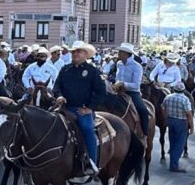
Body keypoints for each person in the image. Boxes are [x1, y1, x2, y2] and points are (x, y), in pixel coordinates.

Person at [53, 41, 106, 175]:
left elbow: (101, 92)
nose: (75, 54)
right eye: (74, 52)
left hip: (82, 109)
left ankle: (91, 163)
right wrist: (59, 96)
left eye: (79, 51)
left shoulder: (92, 71)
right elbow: (57, 86)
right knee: (49, 124)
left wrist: (91, 108)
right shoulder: (65, 69)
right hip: (65, 107)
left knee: (87, 129)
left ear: (86, 54)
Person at [114, 42, 149, 138]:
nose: (119, 53)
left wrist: (123, 84)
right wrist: (116, 83)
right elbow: (118, 78)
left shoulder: (137, 66)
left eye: (121, 52)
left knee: (142, 109)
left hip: (132, 92)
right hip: (118, 91)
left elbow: (136, 84)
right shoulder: (119, 64)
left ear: (126, 54)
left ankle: (145, 133)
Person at [161, 82, 194, 172]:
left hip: (170, 120)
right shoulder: (185, 99)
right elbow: (189, 114)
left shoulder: (168, 97)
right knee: (180, 144)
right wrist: (192, 126)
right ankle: (174, 165)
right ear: (183, 90)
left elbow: (163, 109)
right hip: (181, 122)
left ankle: (173, 162)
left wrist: (166, 120)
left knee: (172, 142)